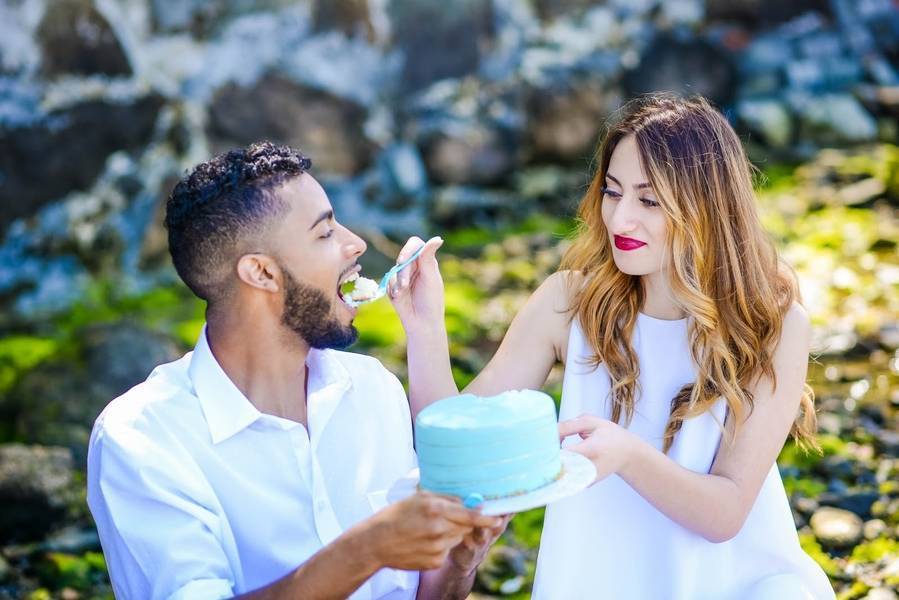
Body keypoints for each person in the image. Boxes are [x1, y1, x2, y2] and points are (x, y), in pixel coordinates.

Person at [390, 94, 836, 599]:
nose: (620, 219)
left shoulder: (772, 325)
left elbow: (726, 512)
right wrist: (424, 328)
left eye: (649, 201)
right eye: (612, 191)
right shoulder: (568, 304)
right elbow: (455, 448)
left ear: (707, 208)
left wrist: (627, 455)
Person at [86, 141, 507, 600]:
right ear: (262, 274)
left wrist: (461, 562)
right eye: (326, 233)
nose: (357, 243)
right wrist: (368, 548)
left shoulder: (374, 390)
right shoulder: (142, 438)